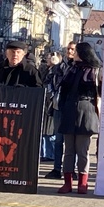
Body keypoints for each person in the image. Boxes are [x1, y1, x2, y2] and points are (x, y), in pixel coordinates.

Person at [56, 41, 101, 195]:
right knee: (68, 150)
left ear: (82, 53)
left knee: (82, 150)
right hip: (69, 110)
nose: (73, 54)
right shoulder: (71, 69)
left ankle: (83, 182)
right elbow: (63, 90)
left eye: (76, 52)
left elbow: (98, 94)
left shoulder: (94, 71)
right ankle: (67, 182)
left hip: (86, 110)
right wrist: (62, 107)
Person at [44, 42, 76, 179]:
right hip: (58, 107)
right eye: (68, 49)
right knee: (58, 140)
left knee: (71, 141)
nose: (69, 51)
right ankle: (57, 169)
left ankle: (70, 170)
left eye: (72, 49)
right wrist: (53, 96)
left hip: (72, 108)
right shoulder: (58, 67)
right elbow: (48, 81)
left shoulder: (78, 68)